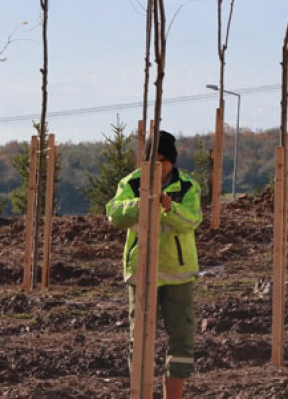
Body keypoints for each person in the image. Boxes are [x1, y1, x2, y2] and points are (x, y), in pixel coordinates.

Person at [106, 130, 201, 399]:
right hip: (141, 272)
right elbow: (114, 213)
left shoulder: (187, 187)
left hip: (177, 274)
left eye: (162, 161)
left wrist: (170, 208)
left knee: (181, 338)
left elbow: (192, 220)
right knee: (140, 339)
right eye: (152, 161)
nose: (157, 168)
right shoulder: (132, 184)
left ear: (172, 161)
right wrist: (142, 203)